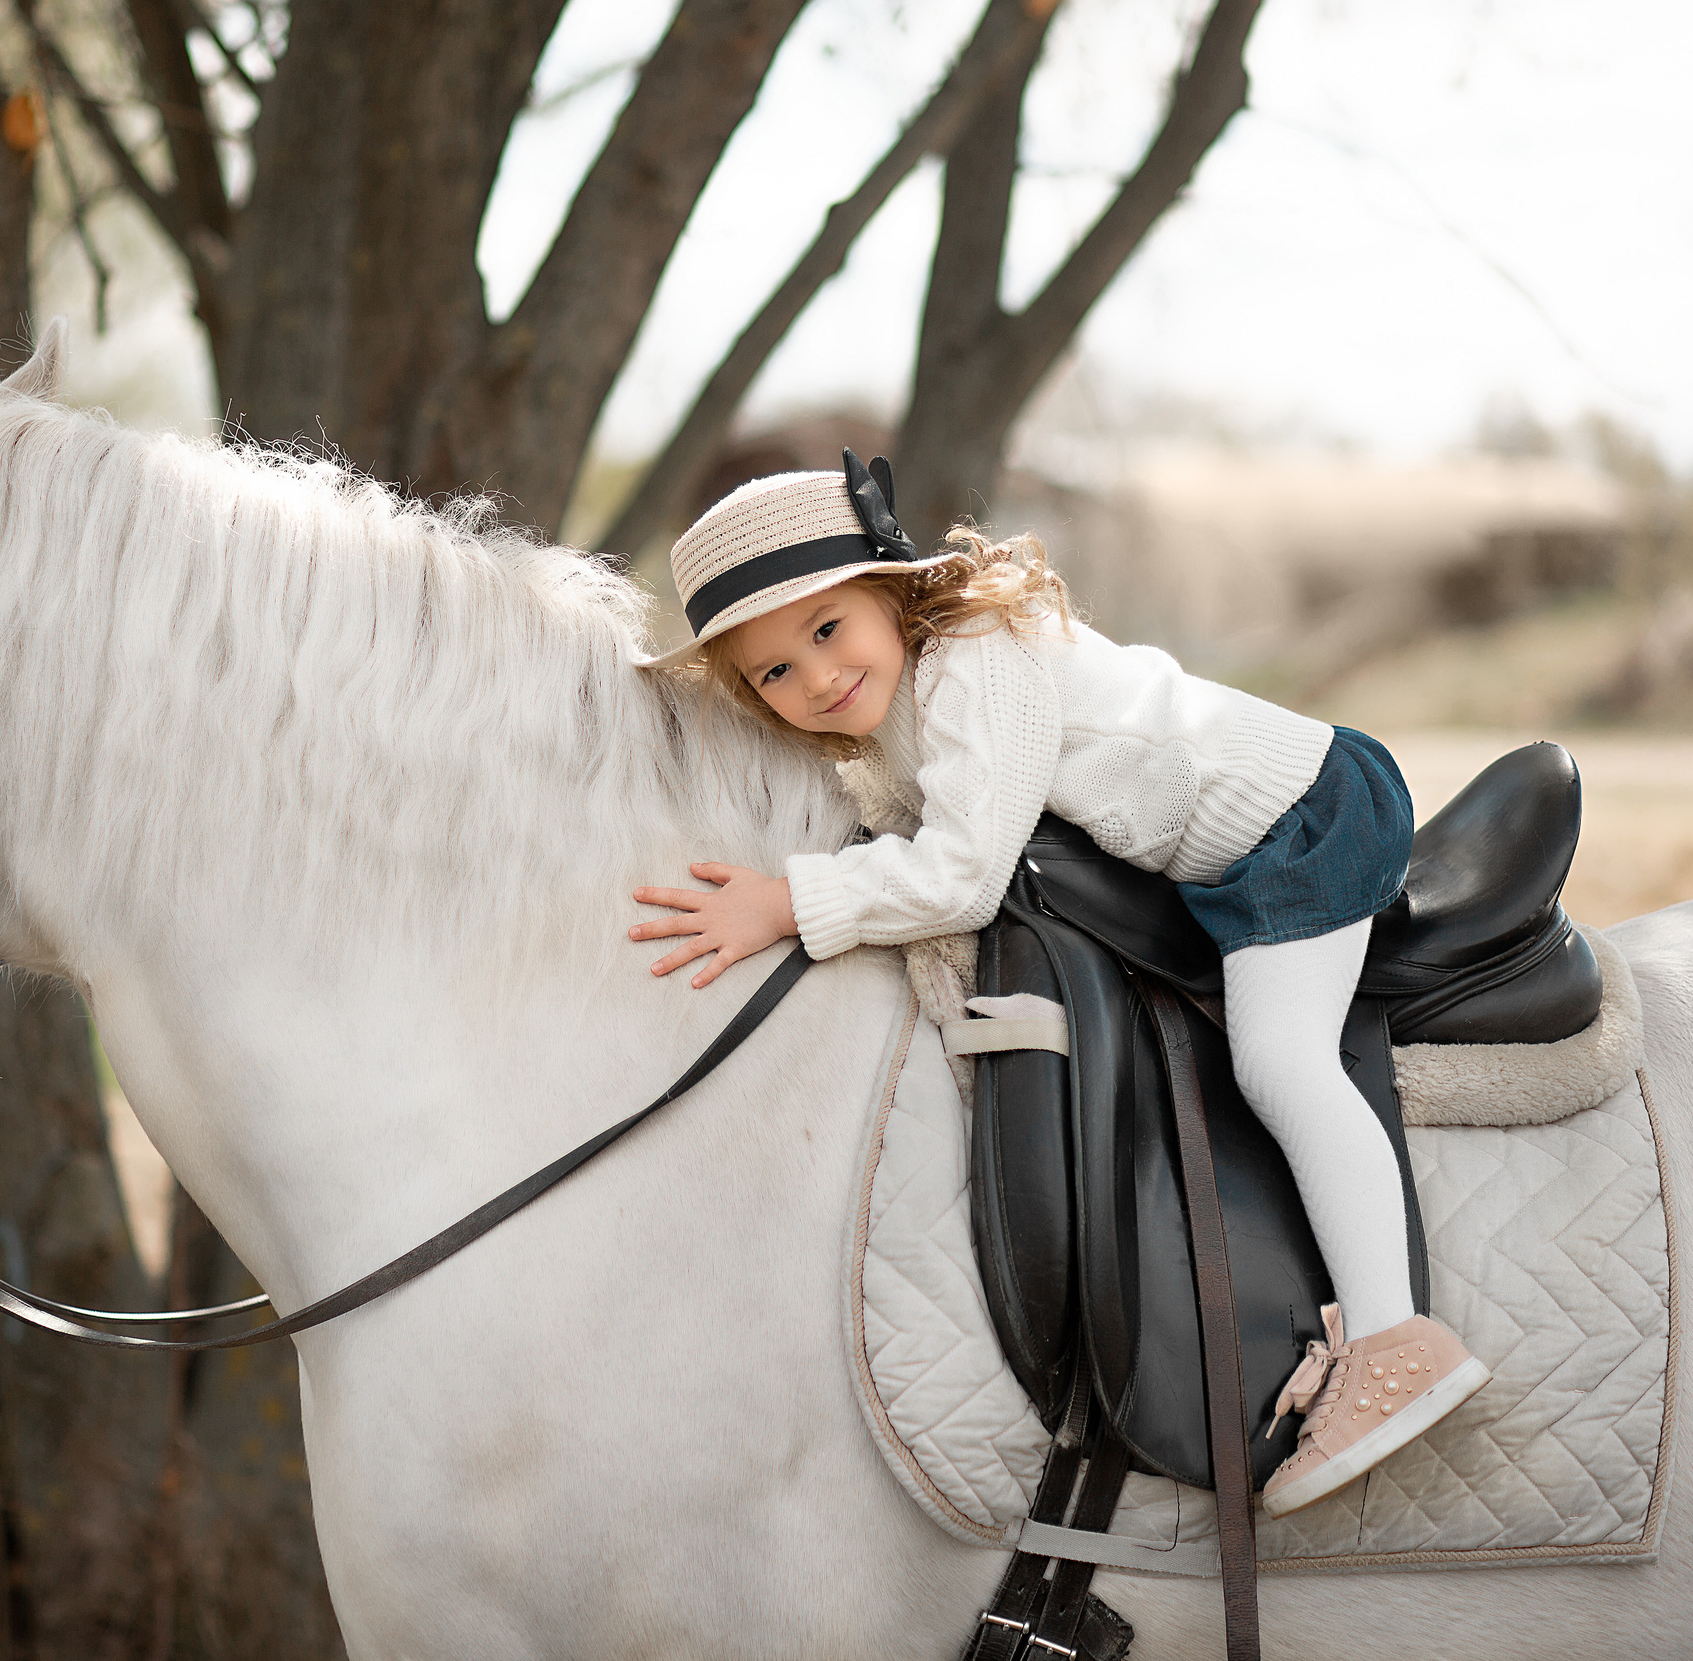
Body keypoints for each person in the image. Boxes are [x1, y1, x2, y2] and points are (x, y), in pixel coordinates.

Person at [627, 453, 1488, 1517]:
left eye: (824, 630)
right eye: (772, 673)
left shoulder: (975, 659)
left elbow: (962, 873)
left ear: (891, 592)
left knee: (1278, 1061)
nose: (814, 680)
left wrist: (787, 902)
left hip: (1297, 823)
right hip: (1220, 861)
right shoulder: (897, 698)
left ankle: (1396, 1342)